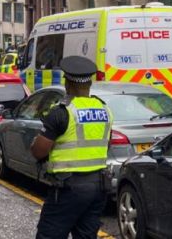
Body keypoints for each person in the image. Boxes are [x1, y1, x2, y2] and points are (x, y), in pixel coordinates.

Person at [31, 56, 113, 239]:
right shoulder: (105, 109)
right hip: (98, 185)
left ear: (67, 83)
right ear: (89, 83)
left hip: (68, 188)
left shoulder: (62, 112)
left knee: (49, 235)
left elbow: (39, 152)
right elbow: (107, 144)